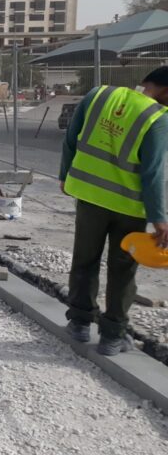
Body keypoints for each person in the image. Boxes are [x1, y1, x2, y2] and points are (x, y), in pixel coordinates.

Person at [61, 67, 168, 356]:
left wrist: (64, 176)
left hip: (89, 197)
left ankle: (80, 324)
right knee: (122, 269)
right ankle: (112, 337)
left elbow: (71, 138)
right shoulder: (158, 119)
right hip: (129, 207)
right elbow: (153, 173)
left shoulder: (99, 96)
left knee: (85, 260)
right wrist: (159, 217)